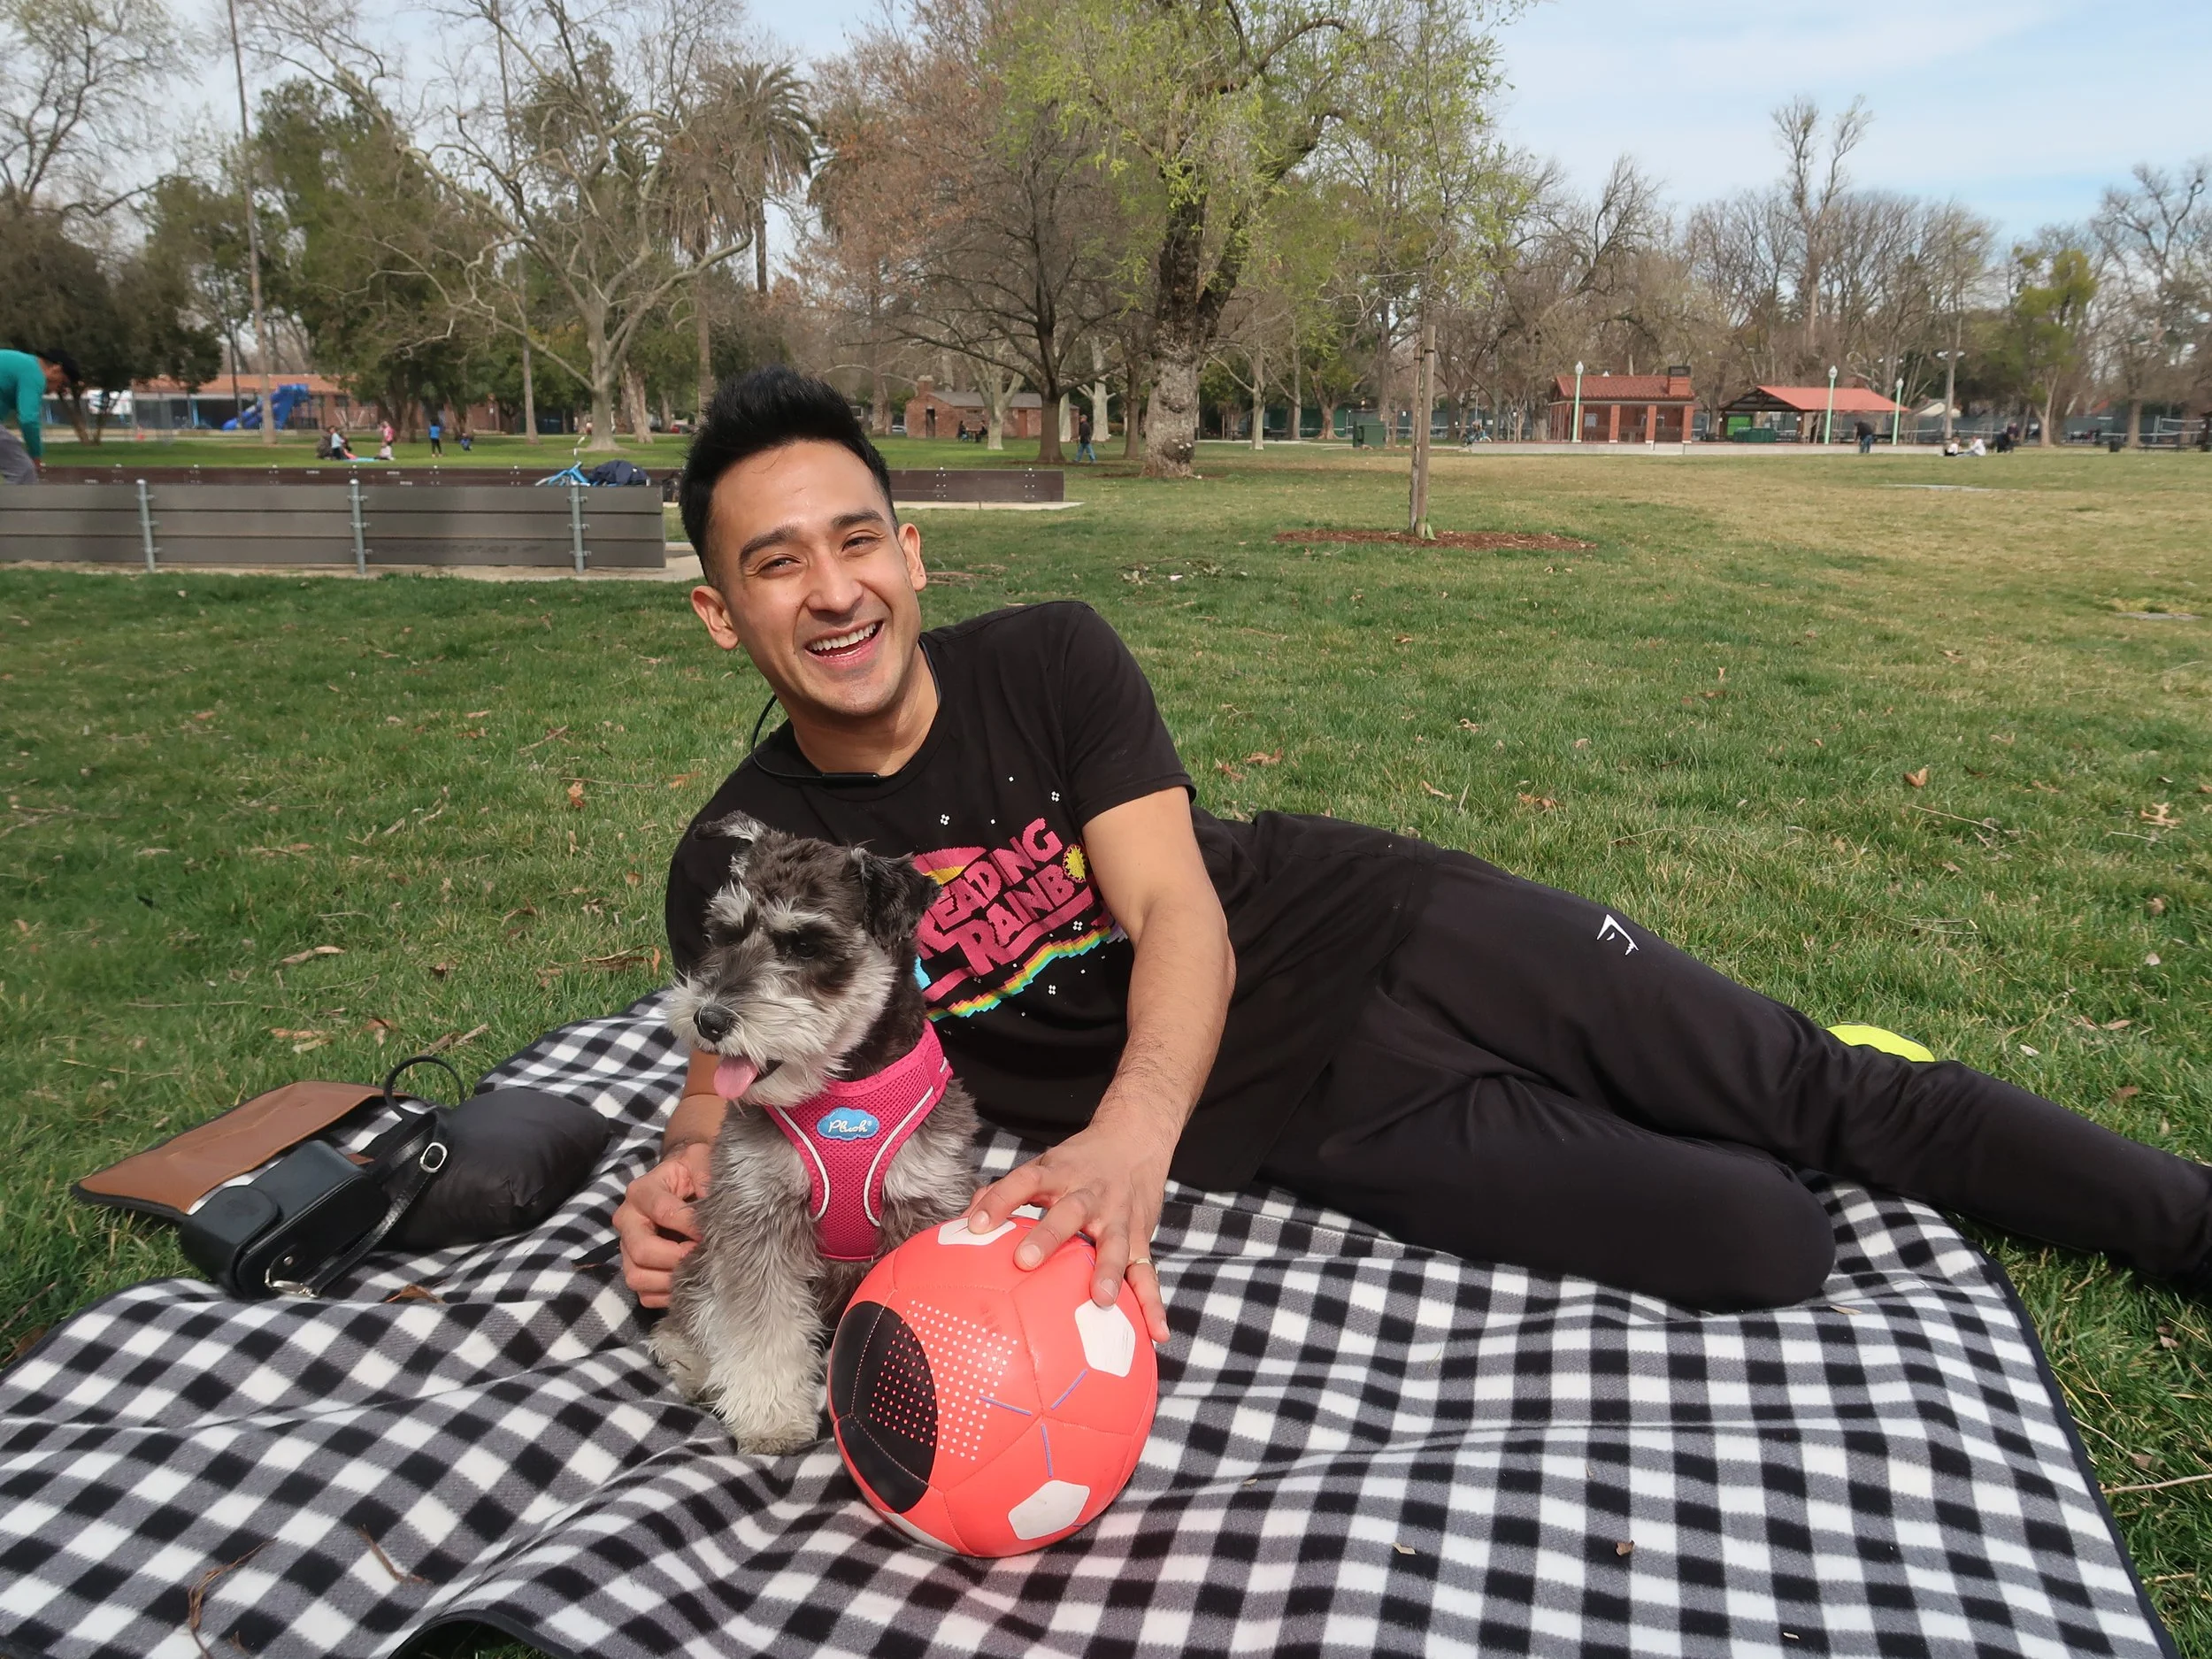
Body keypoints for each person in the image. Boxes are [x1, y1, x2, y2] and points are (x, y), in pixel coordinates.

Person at [615, 366, 2212, 1339]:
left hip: (1376, 925)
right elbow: (730, 1093)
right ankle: (1684, 1092)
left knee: (1820, 1091)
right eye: (776, 565)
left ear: (911, 549)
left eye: (855, 540)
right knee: (1767, 1238)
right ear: (720, 611)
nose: (831, 592)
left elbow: (1176, 907)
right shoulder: (740, 853)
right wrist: (674, 1199)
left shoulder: (1049, 657)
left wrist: (1126, 1140)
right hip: (1309, 1114)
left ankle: (2186, 1223)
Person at [0, 347, 78, 485]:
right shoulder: (34, 374)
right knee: (23, 470)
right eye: (62, 384)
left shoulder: (23, 364)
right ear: (56, 370)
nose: (57, 390)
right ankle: (19, 506)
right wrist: (36, 454)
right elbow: (28, 419)